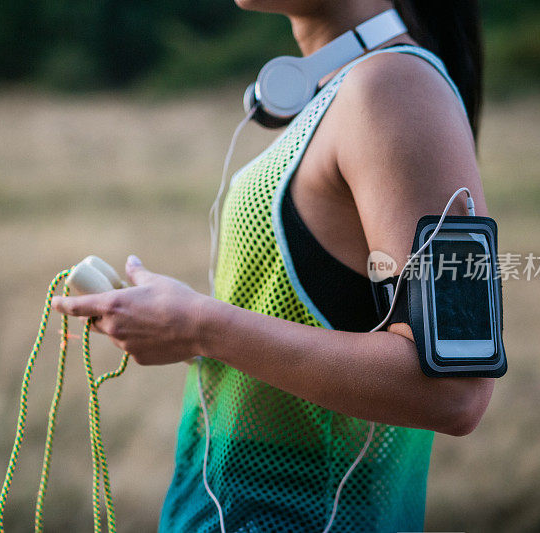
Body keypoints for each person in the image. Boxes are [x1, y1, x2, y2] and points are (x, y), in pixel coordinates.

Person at [53, 0, 494, 531]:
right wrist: (184, 324)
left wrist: (201, 326)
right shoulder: (350, 86)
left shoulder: (396, 88)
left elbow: (456, 388)